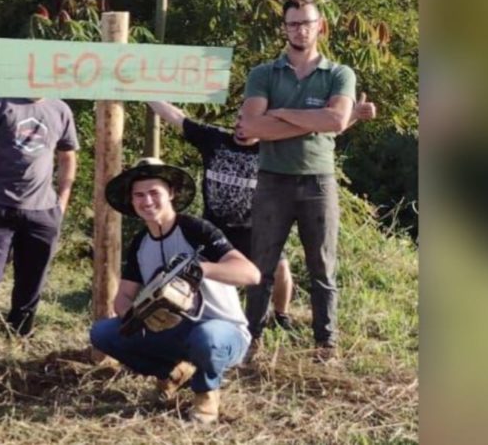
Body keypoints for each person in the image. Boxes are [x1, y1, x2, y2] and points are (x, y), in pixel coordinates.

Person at [147, 97, 375, 330]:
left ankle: (281, 315)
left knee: (281, 269)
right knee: (197, 273)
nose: (241, 126)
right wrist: (147, 95)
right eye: (239, 119)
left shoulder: (274, 149)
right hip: (215, 226)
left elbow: (319, 132)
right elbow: (177, 117)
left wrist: (354, 114)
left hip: (254, 227)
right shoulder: (214, 140)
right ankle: (199, 317)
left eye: (249, 122)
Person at [89, 157, 260, 424]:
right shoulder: (140, 243)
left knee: (207, 336)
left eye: (154, 192)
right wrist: (137, 316)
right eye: (139, 195)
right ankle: (171, 372)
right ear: (132, 201)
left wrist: (202, 270)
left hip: (223, 330)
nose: (147, 201)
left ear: (170, 193)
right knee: (103, 333)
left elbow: (251, 274)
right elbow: (122, 297)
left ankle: (206, 393)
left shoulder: (196, 229)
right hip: (174, 331)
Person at [236, 0, 358, 363]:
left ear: (320, 25)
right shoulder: (263, 73)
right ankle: (249, 340)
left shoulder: (339, 73)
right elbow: (249, 127)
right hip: (272, 180)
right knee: (262, 265)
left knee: (322, 265)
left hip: (317, 181)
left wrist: (278, 116)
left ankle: (326, 344)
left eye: (306, 23)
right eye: (293, 24)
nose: (300, 30)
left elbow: (336, 120)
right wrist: (308, 119)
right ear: (284, 28)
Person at [0, 97, 78, 340]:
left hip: (43, 211)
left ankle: (19, 335)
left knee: (32, 279)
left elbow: (67, 157)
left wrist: (62, 202)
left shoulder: (60, 109)